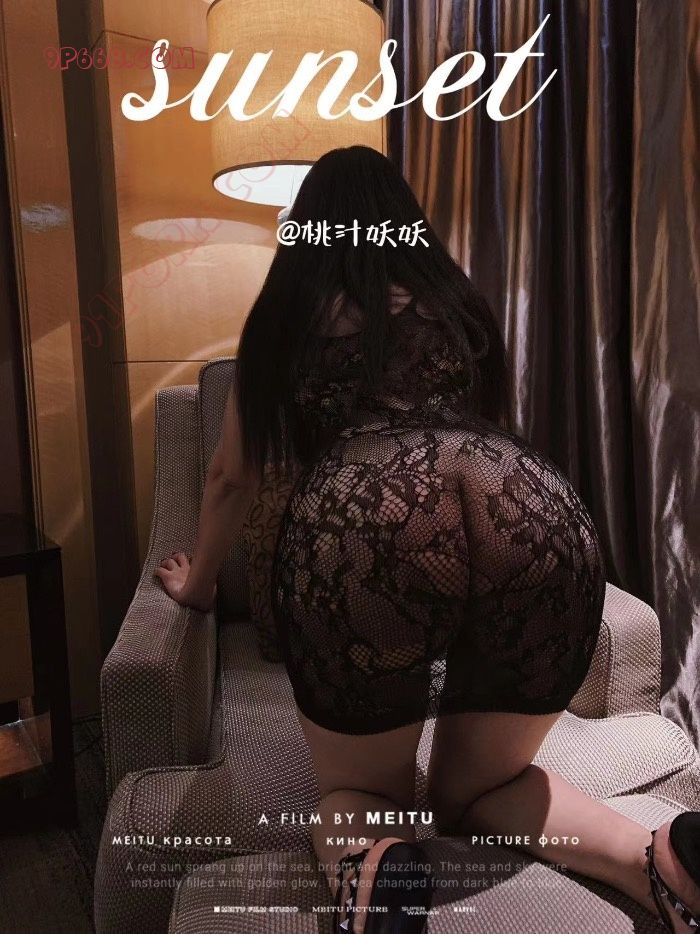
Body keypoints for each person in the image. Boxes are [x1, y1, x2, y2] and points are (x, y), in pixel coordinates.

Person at [155, 146, 700, 934]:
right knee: (477, 790)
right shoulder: (456, 305)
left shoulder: (284, 315)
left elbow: (231, 478)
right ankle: (661, 858)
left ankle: (373, 863)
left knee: (364, 796)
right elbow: (480, 434)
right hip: (534, 507)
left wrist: (200, 582)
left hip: (366, 521)